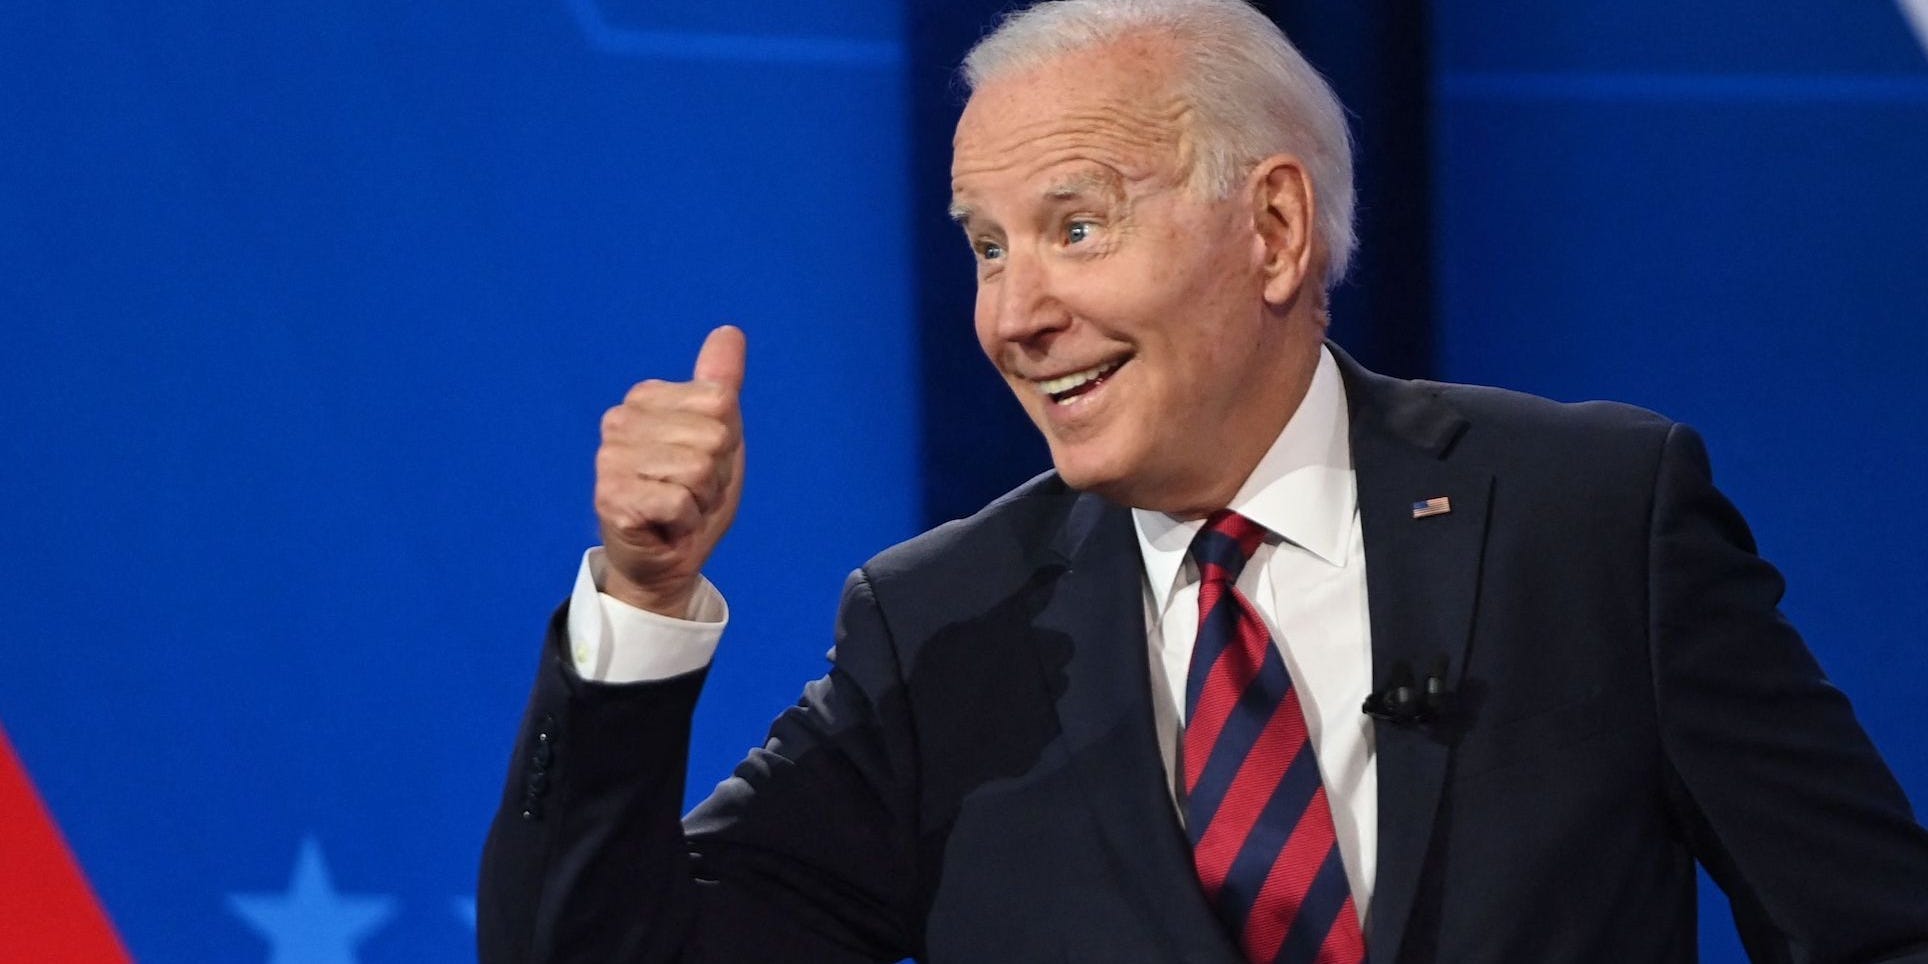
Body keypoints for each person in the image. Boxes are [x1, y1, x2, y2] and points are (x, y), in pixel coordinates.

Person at [478, 0, 1928, 960]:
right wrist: (645, 607)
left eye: (1076, 225)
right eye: (987, 245)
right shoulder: (943, 630)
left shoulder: (1590, 519)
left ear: (1277, 230)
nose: (1013, 311)